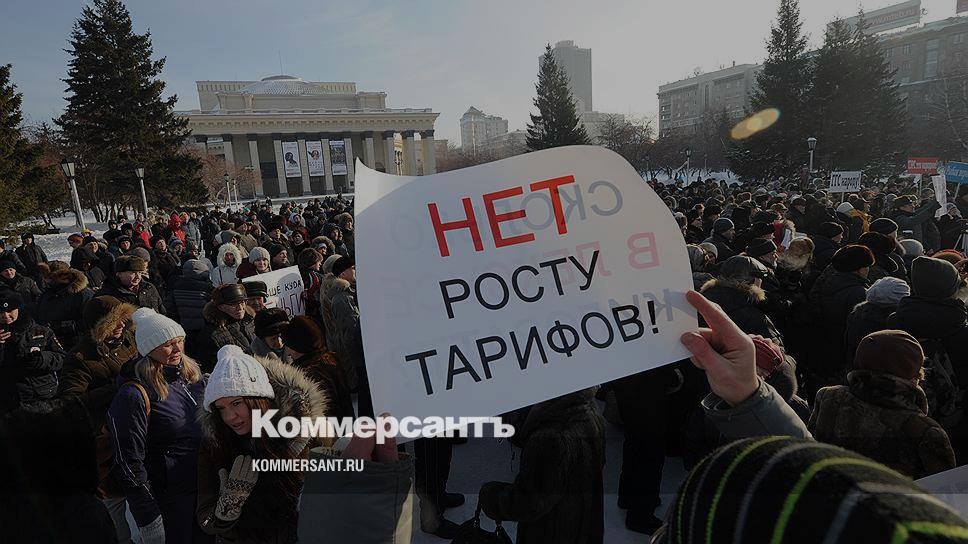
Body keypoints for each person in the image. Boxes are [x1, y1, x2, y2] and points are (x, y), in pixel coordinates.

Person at [195, 345, 327, 544]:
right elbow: (206, 521)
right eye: (221, 408)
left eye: (237, 403)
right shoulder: (215, 445)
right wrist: (227, 508)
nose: (229, 416)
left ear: (259, 400)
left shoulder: (303, 435)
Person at [106, 308, 207, 544]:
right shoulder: (134, 395)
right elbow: (129, 461)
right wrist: (148, 517)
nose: (177, 349)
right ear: (148, 349)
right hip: (169, 500)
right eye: (167, 344)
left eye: (180, 341)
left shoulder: (192, 378)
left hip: (203, 490)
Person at [809, 329, 956, 479]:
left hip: (828, 491)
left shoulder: (828, 398)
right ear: (914, 374)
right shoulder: (926, 432)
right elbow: (947, 488)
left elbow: (810, 451)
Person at [479, 387, 605, 544]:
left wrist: (491, 496)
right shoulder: (587, 409)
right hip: (581, 526)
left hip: (553, 533)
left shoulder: (548, 437)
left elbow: (530, 503)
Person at [808, 245, 873, 387]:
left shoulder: (826, 281)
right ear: (859, 269)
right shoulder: (858, 292)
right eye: (867, 266)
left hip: (824, 348)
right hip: (843, 354)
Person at [0, 292, 66, 414]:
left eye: (10, 310)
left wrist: (42, 359)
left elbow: (62, 358)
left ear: (18, 309)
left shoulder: (41, 331)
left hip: (42, 396)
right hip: (9, 400)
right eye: (1, 312)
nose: (5, 315)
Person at [281, 316, 353, 419]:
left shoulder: (308, 373)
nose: (288, 352)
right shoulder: (330, 359)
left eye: (289, 345)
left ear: (298, 345)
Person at [320, 256, 364, 401]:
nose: (356, 270)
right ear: (343, 273)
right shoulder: (342, 298)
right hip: (354, 357)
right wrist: (359, 363)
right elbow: (350, 331)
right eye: (352, 268)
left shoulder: (347, 291)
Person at [844, 277, 909, 369]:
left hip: (856, 369)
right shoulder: (895, 323)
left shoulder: (856, 316)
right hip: (885, 373)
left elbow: (848, 347)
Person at [35, 264, 93, 350]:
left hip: (74, 343)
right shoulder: (49, 292)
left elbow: (89, 321)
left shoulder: (82, 294)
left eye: (50, 279)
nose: (46, 281)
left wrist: (63, 326)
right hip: (50, 340)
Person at [198, 284, 256, 368]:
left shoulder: (251, 320)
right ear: (221, 307)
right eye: (233, 304)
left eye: (242, 302)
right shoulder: (211, 334)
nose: (240, 308)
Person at [96, 255, 165, 314]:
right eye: (133, 273)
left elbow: (161, 311)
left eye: (140, 273)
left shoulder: (149, 288)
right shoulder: (107, 294)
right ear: (119, 274)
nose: (138, 277)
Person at [169, 259, 214, 336]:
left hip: (183, 328)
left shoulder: (176, 286)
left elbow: (170, 308)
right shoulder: (208, 288)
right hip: (204, 327)